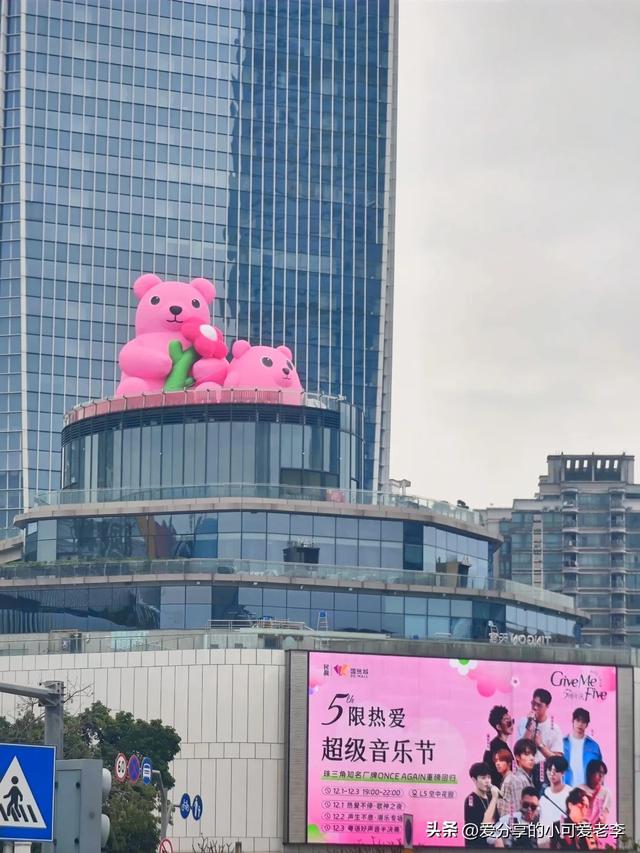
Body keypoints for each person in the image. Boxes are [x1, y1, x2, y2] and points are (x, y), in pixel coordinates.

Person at [518, 688, 563, 788]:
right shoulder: (523, 722)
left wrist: (540, 745)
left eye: (539, 705)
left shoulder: (554, 729)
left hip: (543, 775)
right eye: (533, 703)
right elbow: (519, 749)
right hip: (524, 773)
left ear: (547, 706)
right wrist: (530, 725)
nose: (534, 707)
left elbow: (558, 760)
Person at [562, 709, 602, 787]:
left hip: (588, 791)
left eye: (583, 722)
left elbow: (600, 772)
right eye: (577, 720)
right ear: (572, 721)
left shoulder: (594, 746)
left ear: (587, 725)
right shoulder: (562, 743)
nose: (580, 724)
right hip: (566, 790)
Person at [465, 762, 501, 848]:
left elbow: (497, 824)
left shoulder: (490, 798)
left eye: (489, 777)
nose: (487, 781)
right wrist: (495, 798)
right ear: (474, 780)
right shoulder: (471, 800)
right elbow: (485, 827)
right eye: (483, 778)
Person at [539, 756, 571, 848]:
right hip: (543, 841)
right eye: (549, 769)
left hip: (561, 841)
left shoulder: (570, 793)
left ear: (563, 773)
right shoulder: (543, 792)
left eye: (556, 770)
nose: (552, 773)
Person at [501, 738, 537, 812]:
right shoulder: (516, 780)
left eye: (533, 755)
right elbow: (520, 812)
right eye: (527, 754)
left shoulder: (526, 778)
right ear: (517, 757)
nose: (532, 758)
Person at [484, 706, 515, 787]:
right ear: (498, 727)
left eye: (512, 721)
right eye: (507, 722)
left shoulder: (501, 744)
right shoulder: (496, 747)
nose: (511, 724)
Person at [579, 760, 611, 826]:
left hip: (596, 831)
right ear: (590, 773)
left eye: (603, 773)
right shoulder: (579, 789)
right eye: (598, 772)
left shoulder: (606, 793)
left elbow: (605, 815)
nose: (601, 775)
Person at [493, 749, 517, 818]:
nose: (497, 763)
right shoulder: (507, 779)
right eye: (496, 760)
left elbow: (507, 808)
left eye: (501, 760)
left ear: (509, 763)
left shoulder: (509, 780)